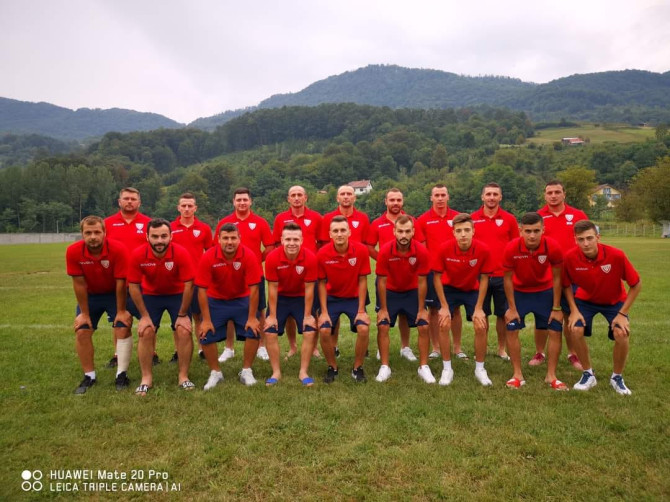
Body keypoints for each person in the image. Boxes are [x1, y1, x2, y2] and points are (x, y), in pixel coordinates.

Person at [563, 220, 641, 395]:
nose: (586, 243)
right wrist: (574, 310)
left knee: (621, 333)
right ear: (575, 240)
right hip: (585, 300)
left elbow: (636, 284)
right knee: (575, 329)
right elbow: (565, 285)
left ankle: (617, 377)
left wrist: (622, 314)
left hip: (614, 301)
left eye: (589, 238)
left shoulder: (616, 255)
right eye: (581, 239)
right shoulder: (570, 257)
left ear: (598, 237)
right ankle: (588, 374)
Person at [127, 219, 195, 396]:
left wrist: (182, 314)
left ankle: (183, 376)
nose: (159, 240)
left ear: (171, 236)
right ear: (147, 237)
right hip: (151, 296)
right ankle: (146, 378)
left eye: (164, 236)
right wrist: (144, 316)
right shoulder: (138, 254)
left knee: (184, 331)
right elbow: (133, 286)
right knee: (146, 331)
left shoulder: (181, 253)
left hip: (177, 295)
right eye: (155, 236)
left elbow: (189, 285)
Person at [66, 216, 133, 394]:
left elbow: (121, 283)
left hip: (114, 294)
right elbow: (79, 284)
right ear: (82, 234)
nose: (93, 237)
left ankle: (121, 374)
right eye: (88, 233)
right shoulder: (73, 251)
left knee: (122, 327)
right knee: (82, 330)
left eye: (97, 232)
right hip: (91, 296)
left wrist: (121, 311)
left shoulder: (118, 249)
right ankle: (89, 376)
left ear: (104, 232)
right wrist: (84, 314)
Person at [502, 212, 567, 390]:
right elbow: (507, 279)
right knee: (511, 328)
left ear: (543, 230)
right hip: (519, 293)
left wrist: (556, 307)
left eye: (536, 231)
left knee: (555, 329)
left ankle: (551, 375)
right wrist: (512, 308)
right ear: (520, 230)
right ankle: (517, 374)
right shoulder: (511, 248)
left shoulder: (552, 246)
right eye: (528, 231)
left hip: (544, 293)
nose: (532, 235)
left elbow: (557, 278)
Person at [196, 223, 263, 389]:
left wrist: (252, 317)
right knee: (205, 333)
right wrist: (206, 320)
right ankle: (215, 372)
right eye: (225, 238)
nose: (229, 242)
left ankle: (246, 371)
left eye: (233, 238)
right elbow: (202, 290)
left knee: (254, 329)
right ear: (218, 239)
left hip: (241, 299)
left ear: (240, 238)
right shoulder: (209, 256)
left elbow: (254, 289)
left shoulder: (248, 255)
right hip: (216, 300)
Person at [213, 188, 274, 362]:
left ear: (250, 201)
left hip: (254, 275)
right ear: (233, 202)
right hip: (229, 275)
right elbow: (216, 247)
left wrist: (256, 261)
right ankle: (229, 348)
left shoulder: (260, 222)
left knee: (259, 310)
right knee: (229, 310)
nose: (242, 203)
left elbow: (269, 247)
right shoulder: (224, 222)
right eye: (238, 200)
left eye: (245, 200)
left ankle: (261, 346)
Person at [433, 214, 495, 386]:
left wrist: (479, 308)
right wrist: (444, 306)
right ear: (453, 232)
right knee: (443, 322)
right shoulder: (444, 249)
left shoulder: (483, 249)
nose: (463, 234)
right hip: (449, 289)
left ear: (473, 231)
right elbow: (437, 277)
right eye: (459, 231)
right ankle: (447, 368)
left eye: (467, 230)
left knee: (481, 325)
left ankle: (480, 369)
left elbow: (485, 278)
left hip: (471, 290)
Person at [534, 180, 588, 369]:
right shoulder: (539, 216)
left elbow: (587, 242)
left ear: (564, 194)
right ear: (545, 195)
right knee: (543, 316)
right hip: (545, 276)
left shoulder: (578, 215)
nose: (553, 195)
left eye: (557, 192)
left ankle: (573, 353)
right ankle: (539, 352)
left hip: (573, 275)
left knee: (569, 315)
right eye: (550, 192)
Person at [367, 188, 425, 362]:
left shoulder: (412, 221)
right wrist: (385, 261)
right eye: (392, 200)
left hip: (409, 276)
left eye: (398, 200)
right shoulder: (377, 223)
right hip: (386, 278)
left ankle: (405, 347)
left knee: (405, 315)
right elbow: (369, 246)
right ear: (386, 201)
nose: (395, 203)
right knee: (383, 314)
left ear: (402, 201)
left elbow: (421, 244)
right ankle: (381, 348)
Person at [375, 216, 431, 383]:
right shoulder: (385, 250)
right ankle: (385, 366)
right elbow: (381, 281)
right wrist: (383, 308)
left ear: (413, 232)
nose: (404, 235)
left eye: (407, 231)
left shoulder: (421, 251)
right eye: (400, 231)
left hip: (412, 292)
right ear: (394, 232)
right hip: (390, 292)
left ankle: (423, 367)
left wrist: (421, 309)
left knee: (423, 325)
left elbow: (422, 281)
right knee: (383, 325)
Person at [317, 216, 371, 383]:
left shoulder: (361, 250)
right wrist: (323, 312)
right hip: (332, 299)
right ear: (330, 234)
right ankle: (332, 367)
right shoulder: (322, 253)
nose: (339, 234)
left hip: (353, 298)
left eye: (342, 230)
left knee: (363, 328)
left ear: (349, 232)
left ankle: (357, 368)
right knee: (324, 330)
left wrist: (361, 310)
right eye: (335, 231)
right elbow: (321, 283)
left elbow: (363, 280)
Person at [264, 223, 319, 386]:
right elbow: (272, 288)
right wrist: (272, 316)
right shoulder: (272, 257)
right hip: (280, 298)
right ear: (282, 240)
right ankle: (276, 372)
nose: (292, 243)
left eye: (295, 239)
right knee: (270, 332)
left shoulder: (310, 257)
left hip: (301, 298)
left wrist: (308, 315)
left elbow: (310, 289)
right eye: (288, 239)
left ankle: (303, 372)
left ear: (302, 240)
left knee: (309, 331)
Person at [319, 185, 371, 356]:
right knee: (332, 317)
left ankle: (363, 347)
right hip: (334, 270)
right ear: (337, 198)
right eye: (343, 194)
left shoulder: (363, 218)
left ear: (354, 197)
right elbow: (322, 243)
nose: (346, 196)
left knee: (361, 315)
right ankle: (333, 346)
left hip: (355, 272)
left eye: (349, 194)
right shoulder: (328, 218)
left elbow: (366, 243)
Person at [104, 187, 152, 368]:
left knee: (148, 319)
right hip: (117, 281)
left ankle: (152, 353)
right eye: (126, 198)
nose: (129, 201)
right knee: (119, 318)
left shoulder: (148, 223)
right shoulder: (107, 223)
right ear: (119, 201)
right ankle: (118, 354)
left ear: (139, 202)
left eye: (133, 199)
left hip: (143, 281)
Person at [271, 185, 322, 358]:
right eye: (293, 195)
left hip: (309, 271)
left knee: (313, 310)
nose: (297, 198)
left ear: (306, 197)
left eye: (300, 195)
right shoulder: (280, 218)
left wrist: (312, 260)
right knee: (289, 314)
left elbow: (322, 243)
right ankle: (293, 346)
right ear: (288, 199)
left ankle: (313, 347)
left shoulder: (316, 217)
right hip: (287, 271)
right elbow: (277, 244)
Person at [471, 182, 519, 361]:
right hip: (480, 275)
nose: (491, 197)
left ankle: (501, 349)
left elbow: (515, 246)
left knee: (502, 314)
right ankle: (481, 349)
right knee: (481, 314)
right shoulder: (472, 218)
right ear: (482, 197)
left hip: (502, 275)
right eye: (488, 194)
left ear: (500, 197)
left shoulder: (510, 219)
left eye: (495, 194)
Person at [415, 184, 464, 359]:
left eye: (443, 195)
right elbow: (422, 248)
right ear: (431, 198)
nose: (440, 198)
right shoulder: (423, 220)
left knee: (456, 310)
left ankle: (457, 348)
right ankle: (436, 348)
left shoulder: (457, 217)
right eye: (437, 195)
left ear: (448, 197)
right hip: (432, 272)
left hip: (454, 270)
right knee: (434, 310)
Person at [170, 193, 212, 363]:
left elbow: (210, 253)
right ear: (178, 208)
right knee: (178, 318)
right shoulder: (170, 228)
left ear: (195, 208)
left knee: (199, 316)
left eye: (190, 206)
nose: (186, 209)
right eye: (183, 206)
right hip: (176, 281)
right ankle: (177, 350)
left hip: (198, 281)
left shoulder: (204, 228)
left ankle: (202, 347)